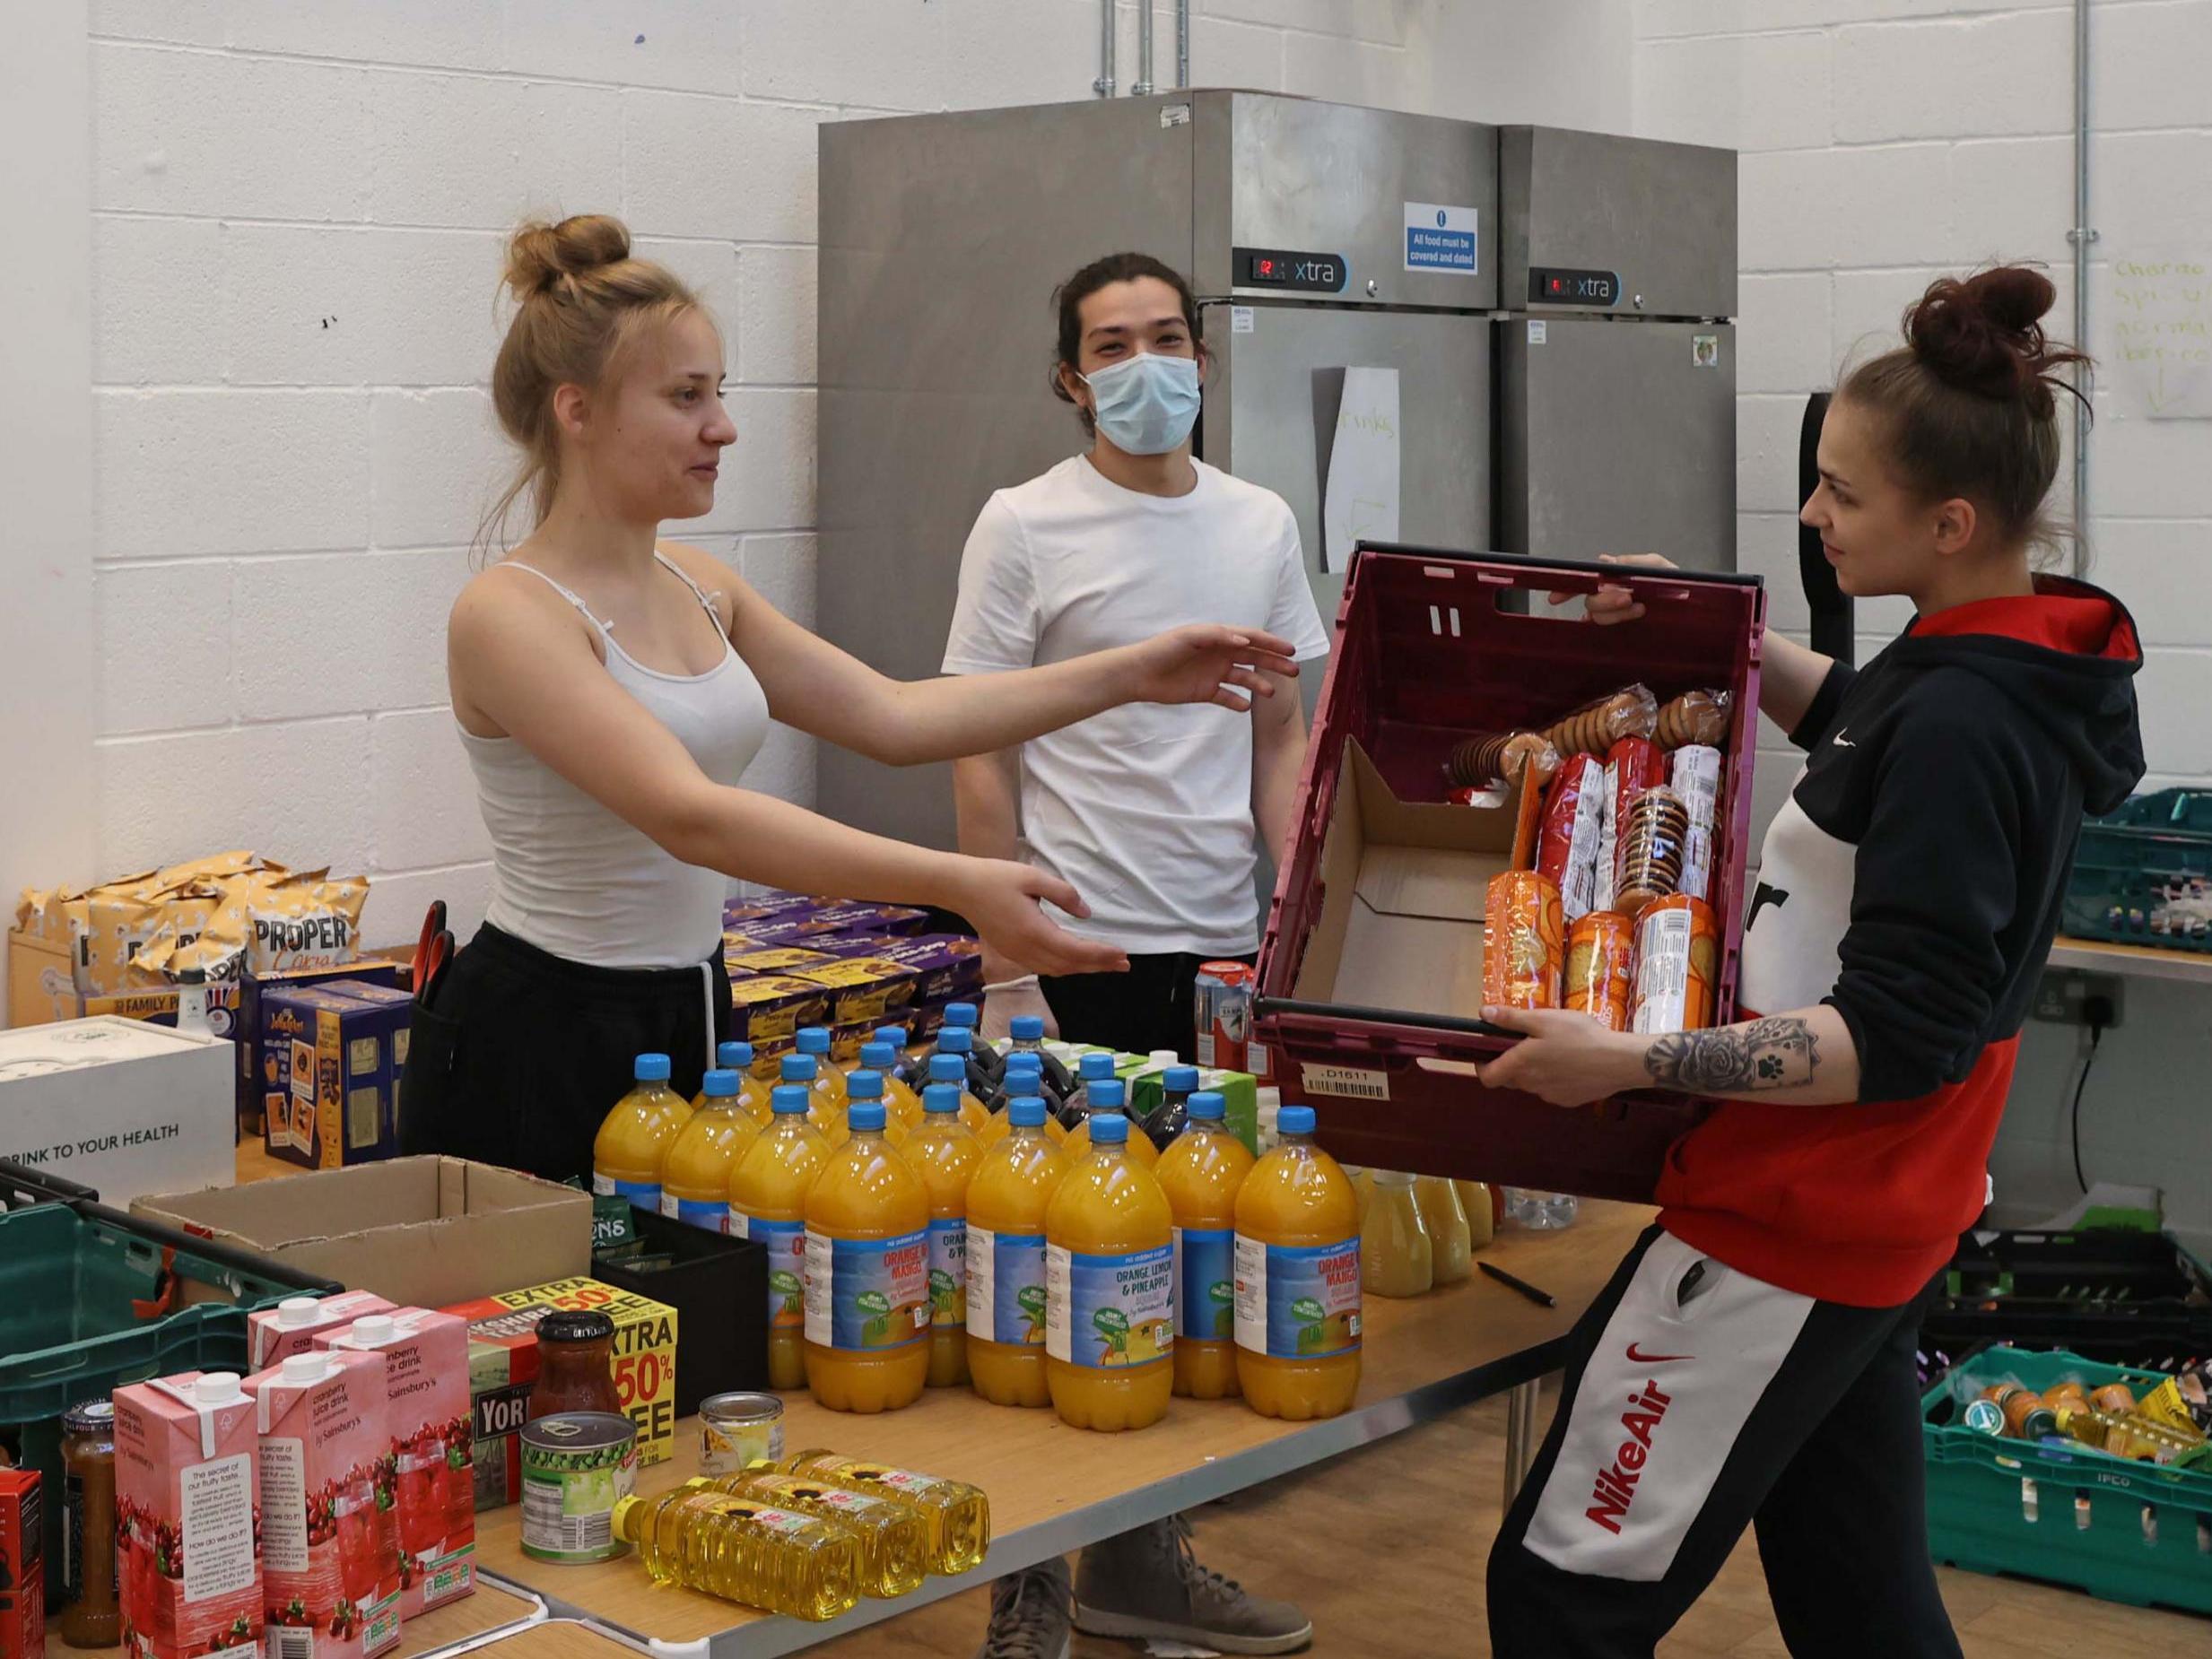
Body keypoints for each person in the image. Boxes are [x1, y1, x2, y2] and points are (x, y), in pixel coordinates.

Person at [1476, 266, 2144, 1656]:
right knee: (1860, 1606)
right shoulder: (1980, 658)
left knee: (1559, 1598)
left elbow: (1901, 1031)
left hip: (1792, 1218)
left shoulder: (1969, 724)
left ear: (1946, 522)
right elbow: (1858, 719)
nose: (1809, 514)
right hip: (1873, 1219)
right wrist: (1708, 631)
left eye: (1841, 493)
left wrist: (1634, 1057)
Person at [396, 215, 1299, 1181]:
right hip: (539, 1025)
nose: (725, 426)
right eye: (686, 396)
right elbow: (691, 815)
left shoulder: (701, 584)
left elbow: (897, 717)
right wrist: (956, 883)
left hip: (690, 1002)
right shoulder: (509, 615)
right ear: (577, 411)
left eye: (722, 392)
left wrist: (1129, 670)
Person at [945, 252, 1326, 1657]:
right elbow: (973, 739)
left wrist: (1294, 913)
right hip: (1074, 950)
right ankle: (1029, 1588)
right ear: (1069, 375)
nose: (1145, 365)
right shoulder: (1024, 525)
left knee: (1187, 1277)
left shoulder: (1260, 520)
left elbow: (1280, 737)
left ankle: (1145, 1560)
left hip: (1222, 952)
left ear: (1205, 357)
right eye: (1113, 344)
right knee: (1054, 1275)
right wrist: (1004, 952)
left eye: (1168, 337)